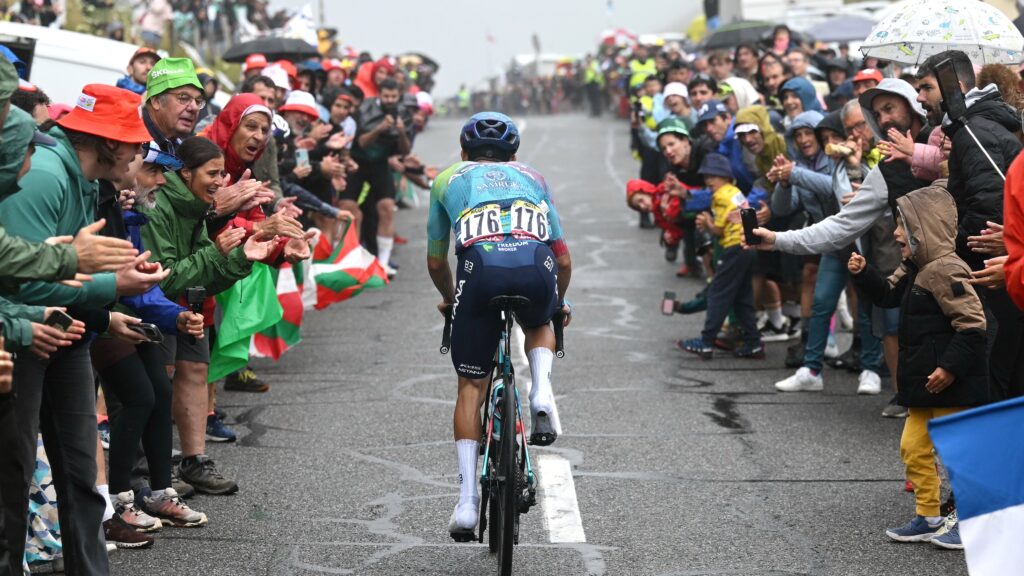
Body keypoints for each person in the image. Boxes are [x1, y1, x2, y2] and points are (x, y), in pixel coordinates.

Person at [0, 83, 167, 575]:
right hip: (23, 337)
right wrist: (108, 285)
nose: (140, 153)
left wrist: (107, 303)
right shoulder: (46, 176)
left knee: (81, 475)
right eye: (135, 143)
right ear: (109, 143)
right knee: (13, 477)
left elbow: (62, 275)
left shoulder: (91, 182)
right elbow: (24, 279)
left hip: (64, 333)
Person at [750, 78, 935, 419]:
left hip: (976, 271)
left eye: (889, 109)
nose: (882, 121)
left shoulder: (950, 141)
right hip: (915, 275)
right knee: (899, 338)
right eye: (875, 114)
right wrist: (777, 239)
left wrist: (922, 155)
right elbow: (840, 225)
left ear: (912, 105)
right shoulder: (887, 168)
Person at [426, 112, 572, 540]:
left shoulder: (447, 178)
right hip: (534, 264)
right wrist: (559, 302)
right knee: (542, 319)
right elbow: (562, 257)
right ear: (515, 155)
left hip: (481, 267)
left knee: (471, 386)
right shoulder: (533, 176)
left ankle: (468, 504)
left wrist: (451, 296)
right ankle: (541, 389)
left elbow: (436, 259)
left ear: (464, 153)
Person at [849, 184, 987, 549]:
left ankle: (969, 520)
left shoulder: (946, 270)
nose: (895, 233)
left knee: (957, 455)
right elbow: (887, 295)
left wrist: (950, 367)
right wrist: (864, 273)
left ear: (923, 228)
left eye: (902, 225)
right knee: (913, 448)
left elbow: (973, 326)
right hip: (924, 387)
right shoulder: (915, 267)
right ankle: (929, 515)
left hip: (949, 385)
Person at [141, 136, 279, 497]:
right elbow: (166, 276)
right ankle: (145, 476)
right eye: (213, 173)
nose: (221, 181)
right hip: (154, 309)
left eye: (223, 173)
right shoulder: (161, 206)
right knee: (149, 391)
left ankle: (194, 462)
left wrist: (241, 257)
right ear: (185, 173)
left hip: (186, 305)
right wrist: (218, 251)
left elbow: (205, 271)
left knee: (196, 371)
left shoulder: (195, 206)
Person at [678, 153, 763, 359]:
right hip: (749, 246)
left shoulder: (720, 196)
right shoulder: (737, 193)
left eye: (713, 176)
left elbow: (717, 230)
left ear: (725, 177)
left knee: (718, 293)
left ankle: (706, 342)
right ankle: (753, 343)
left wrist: (707, 222)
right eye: (706, 177)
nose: (709, 181)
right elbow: (749, 218)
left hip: (734, 248)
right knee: (743, 297)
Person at [346, 78, 411, 274]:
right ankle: (352, 259)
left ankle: (383, 262)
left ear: (398, 96)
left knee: (386, 208)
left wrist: (400, 132)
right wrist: (379, 128)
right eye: (386, 96)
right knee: (349, 209)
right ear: (379, 94)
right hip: (358, 163)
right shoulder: (365, 110)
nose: (389, 100)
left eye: (393, 96)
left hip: (381, 165)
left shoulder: (404, 113)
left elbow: (405, 149)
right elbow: (363, 143)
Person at [143, 57, 205, 155]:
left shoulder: (184, 148)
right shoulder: (133, 144)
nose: (194, 107)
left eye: (198, 101)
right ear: (156, 101)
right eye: (184, 98)